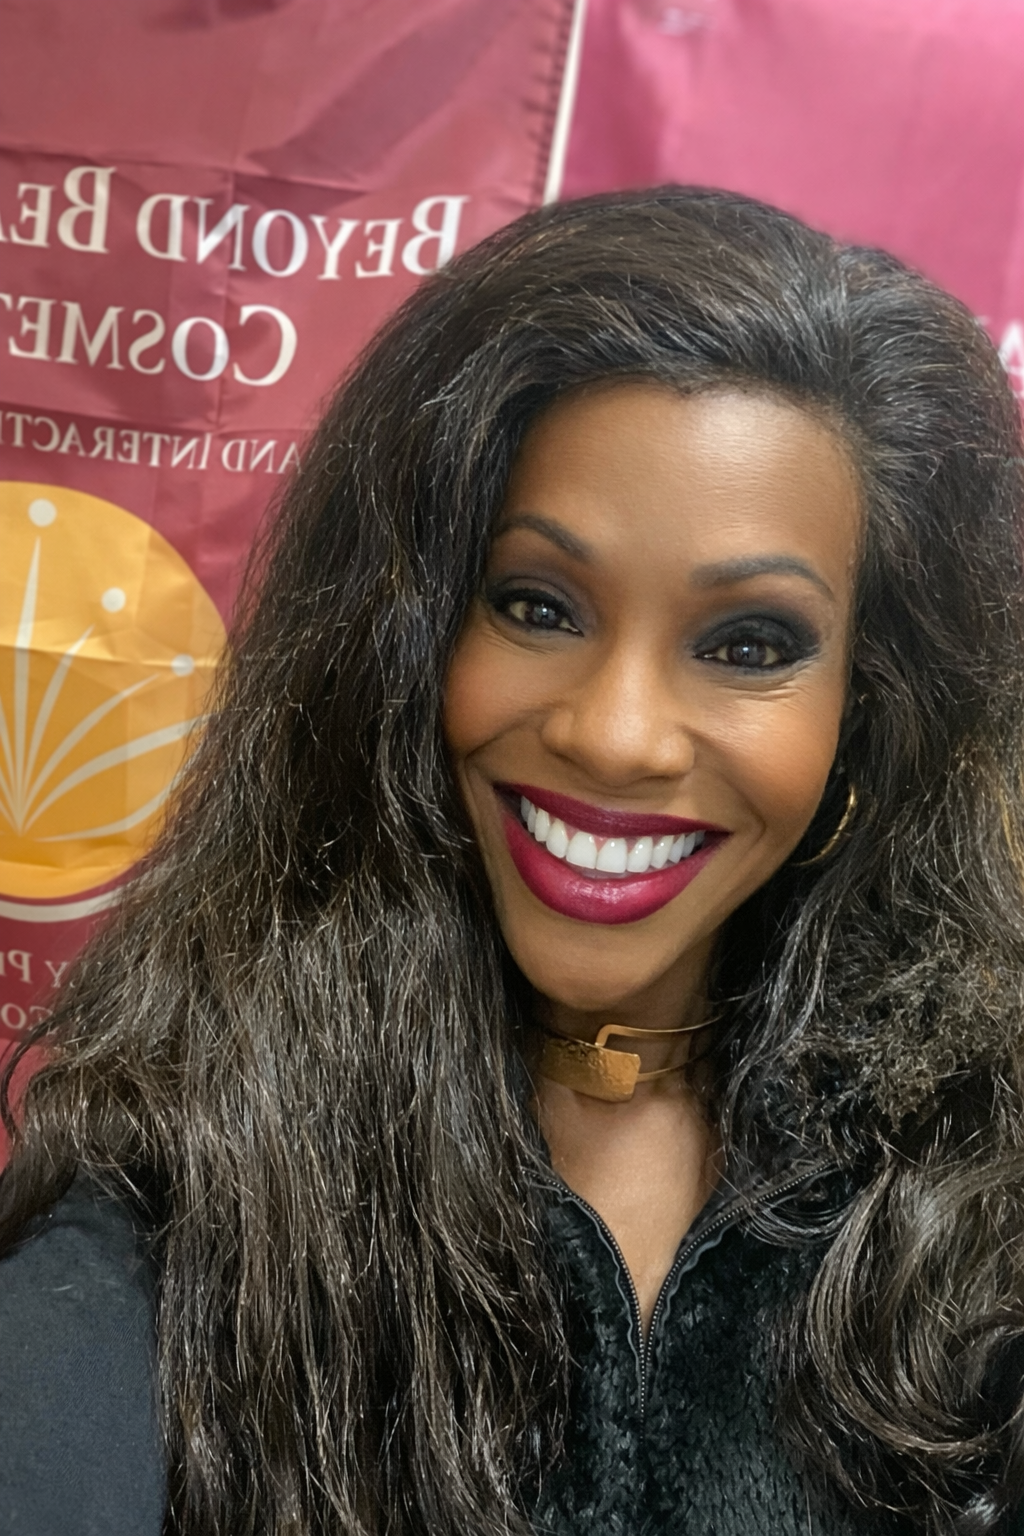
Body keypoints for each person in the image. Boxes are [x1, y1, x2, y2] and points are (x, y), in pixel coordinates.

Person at [1, 187, 1023, 1536]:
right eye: (537, 606)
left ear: (868, 715)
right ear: (405, 646)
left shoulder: (972, 1186)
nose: (614, 735)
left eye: (750, 645)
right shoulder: (186, 1187)